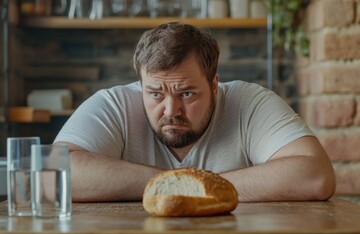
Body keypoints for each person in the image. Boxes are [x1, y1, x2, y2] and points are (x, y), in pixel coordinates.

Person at [54, 22, 336, 202]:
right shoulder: (114, 104)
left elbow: (315, 175)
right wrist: (175, 183)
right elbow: (51, 174)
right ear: (141, 85)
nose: (170, 110)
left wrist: (192, 184)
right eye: (155, 94)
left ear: (214, 85)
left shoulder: (250, 102)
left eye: (186, 93)